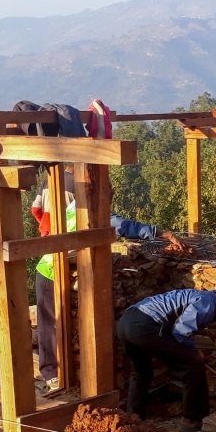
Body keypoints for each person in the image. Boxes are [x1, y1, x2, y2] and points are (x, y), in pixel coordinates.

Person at [33, 167, 190, 390]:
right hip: (50, 271)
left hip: (55, 268)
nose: (111, 196)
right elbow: (127, 227)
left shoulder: (76, 206)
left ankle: (60, 373)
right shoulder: (94, 212)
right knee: (49, 323)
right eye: (109, 192)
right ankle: (51, 373)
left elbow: (39, 212)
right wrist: (166, 234)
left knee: (57, 322)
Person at [118, 283, 216, 432]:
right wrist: (194, 351)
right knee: (193, 365)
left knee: (141, 373)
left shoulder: (197, 295)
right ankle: (192, 420)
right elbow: (182, 331)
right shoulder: (207, 302)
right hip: (145, 325)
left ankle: (134, 421)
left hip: (126, 322)